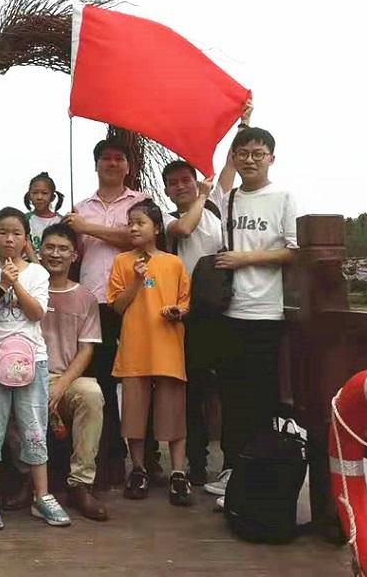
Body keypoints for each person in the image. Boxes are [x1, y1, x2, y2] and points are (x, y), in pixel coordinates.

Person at [162, 98, 253, 485]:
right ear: (167, 191)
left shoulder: (216, 205)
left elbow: (232, 163)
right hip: (188, 313)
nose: (181, 186)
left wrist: (242, 123)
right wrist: (201, 194)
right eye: (174, 183)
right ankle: (195, 463)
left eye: (186, 180)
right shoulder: (167, 217)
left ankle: (232, 461)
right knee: (194, 391)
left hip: (224, 308)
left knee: (230, 387)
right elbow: (184, 230)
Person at [203, 126, 298, 497]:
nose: (250, 160)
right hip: (230, 311)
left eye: (258, 153)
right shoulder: (229, 198)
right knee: (231, 394)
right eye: (243, 153)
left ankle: (256, 474)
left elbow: (294, 250)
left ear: (271, 158)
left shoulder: (284, 197)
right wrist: (240, 124)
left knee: (261, 398)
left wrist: (245, 259)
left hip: (267, 312)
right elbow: (221, 181)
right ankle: (232, 468)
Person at [0, 207, 71, 530]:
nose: (9, 239)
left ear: (26, 239)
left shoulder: (38, 273)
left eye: (16, 233)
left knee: (34, 429)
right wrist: (1, 286)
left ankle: (42, 496)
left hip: (33, 361)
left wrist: (16, 284)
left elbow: (37, 313)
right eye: (3, 232)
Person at [3, 224, 107, 520]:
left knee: (91, 394)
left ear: (75, 256)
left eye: (63, 249)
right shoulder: (23, 288)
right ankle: (28, 478)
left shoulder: (85, 297)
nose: (55, 254)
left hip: (65, 378)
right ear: (39, 249)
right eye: (49, 247)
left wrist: (61, 385)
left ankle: (80, 484)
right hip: (25, 374)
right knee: (5, 393)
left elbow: (86, 350)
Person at [63, 137, 147, 480]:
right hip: (93, 301)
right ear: (96, 164)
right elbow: (72, 254)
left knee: (140, 380)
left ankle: (145, 460)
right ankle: (109, 455)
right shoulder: (79, 207)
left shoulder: (141, 202)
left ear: (128, 166)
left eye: (118, 158)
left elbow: (136, 238)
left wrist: (88, 228)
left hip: (137, 300)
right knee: (99, 381)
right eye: (106, 158)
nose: (112, 163)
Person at [106, 199, 193, 506]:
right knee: (134, 415)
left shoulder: (174, 263)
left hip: (167, 347)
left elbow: (185, 303)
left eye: (140, 222)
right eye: (130, 223)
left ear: (156, 228)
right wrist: (136, 280)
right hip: (135, 347)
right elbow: (117, 306)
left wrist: (177, 312)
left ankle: (178, 473)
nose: (133, 228)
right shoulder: (122, 262)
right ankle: (138, 469)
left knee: (174, 413)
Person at [23, 171, 64, 262]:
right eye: (35, 193)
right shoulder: (23, 219)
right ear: (29, 196)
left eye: (44, 193)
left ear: (52, 197)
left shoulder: (61, 221)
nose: (39, 197)